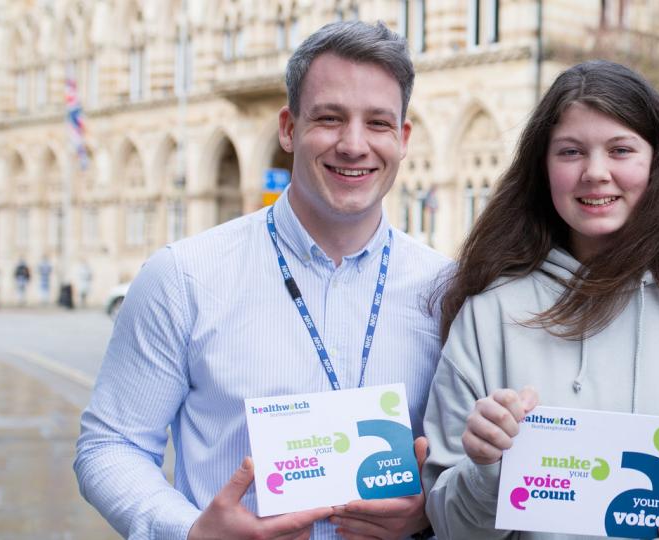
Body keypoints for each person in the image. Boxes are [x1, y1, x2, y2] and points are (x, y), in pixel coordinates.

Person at [75, 21, 448, 540]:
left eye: (378, 123)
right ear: (289, 128)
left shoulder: (447, 290)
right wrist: (190, 532)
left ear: (403, 138)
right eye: (330, 118)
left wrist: (435, 507)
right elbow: (109, 444)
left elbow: (465, 462)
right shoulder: (184, 277)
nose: (354, 144)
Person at [422, 60, 659, 539]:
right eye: (570, 152)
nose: (595, 172)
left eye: (620, 149)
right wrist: (486, 468)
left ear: (658, 161)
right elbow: (447, 524)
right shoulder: (489, 315)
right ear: (542, 167)